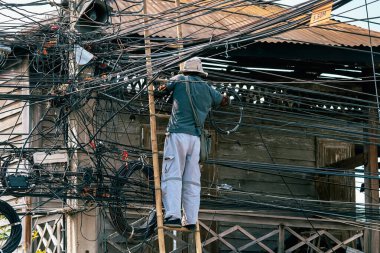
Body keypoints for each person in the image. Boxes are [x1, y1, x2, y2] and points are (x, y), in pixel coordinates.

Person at [155, 57, 229, 230]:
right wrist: (226, 97)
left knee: (173, 175)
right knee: (192, 181)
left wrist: (159, 87)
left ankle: (172, 216)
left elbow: (160, 90)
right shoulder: (208, 89)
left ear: (185, 70)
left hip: (177, 135)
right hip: (196, 140)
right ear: (200, 71)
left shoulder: (179, 80)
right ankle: (190, 220)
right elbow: (223, 101)